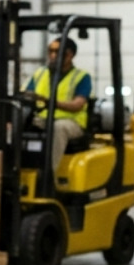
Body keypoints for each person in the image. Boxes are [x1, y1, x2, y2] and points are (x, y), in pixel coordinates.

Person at [26, 37, 92, 173]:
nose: (52, 55)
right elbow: (27, 94)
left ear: (69, 55)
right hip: (43, 118)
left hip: (71, 122)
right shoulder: (40, 73)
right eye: (50, 51)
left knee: (58, 128)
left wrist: (50, 102)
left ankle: (49, 174)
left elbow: (77, 105)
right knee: (17, 122)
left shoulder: (82, 77)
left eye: (57, 51)